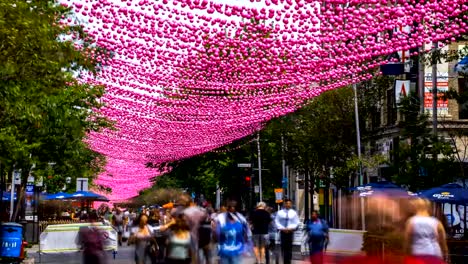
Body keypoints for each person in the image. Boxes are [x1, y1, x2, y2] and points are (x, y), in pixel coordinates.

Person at [404, 198, 448, 264]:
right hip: (434, 254)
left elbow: (407, 241)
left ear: (416, 207)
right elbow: (443, 241)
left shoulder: (411, 221)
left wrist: (405, 254)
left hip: (417, 254)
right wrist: (445, 254)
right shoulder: (436, 222)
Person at [275, 199, 299, 264]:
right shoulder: (280, 213)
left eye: (289, 203)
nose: (288, 205)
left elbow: (296, 222)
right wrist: (282, 228)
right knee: (283, 248)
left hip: (290, 232)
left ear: (291, 204)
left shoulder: (293, 213)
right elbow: (277, 221)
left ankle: (288, 261)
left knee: (289, 248)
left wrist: (291, 228)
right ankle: (285, 261)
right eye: (287, 203)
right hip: (283, 232)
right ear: (284, 204)